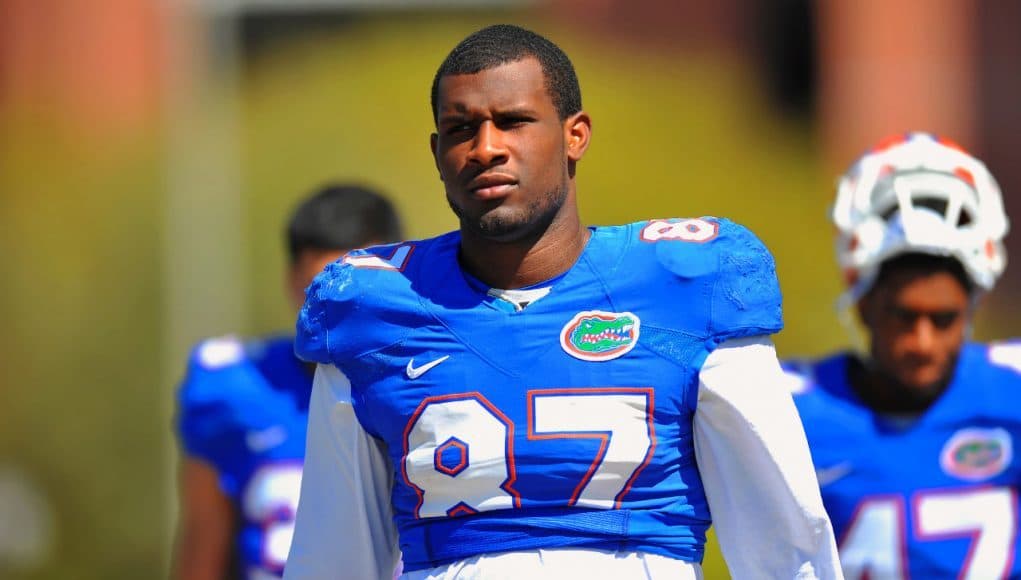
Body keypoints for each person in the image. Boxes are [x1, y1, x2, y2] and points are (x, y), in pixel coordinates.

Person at [285, 24, 841, 580]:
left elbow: (787, 546)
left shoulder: (686, 289)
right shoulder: (372, 309)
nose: (486, 148)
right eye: (461, 129)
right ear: (437, 152)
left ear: (575, 135)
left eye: (513, 121)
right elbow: (333, 560)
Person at [785, 132, 1020, 578]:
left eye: (944, 318)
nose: (922, 342)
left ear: (973, 308)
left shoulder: (1012, 389)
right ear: (863, 303)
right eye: (903, 316)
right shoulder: (787, 409)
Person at [172, 184, 404, 580]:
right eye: (320, 289)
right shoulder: (234, 388)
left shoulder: (430, 379)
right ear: (291, 281)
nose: (337, 310)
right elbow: (201, 552)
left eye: (357, 292)